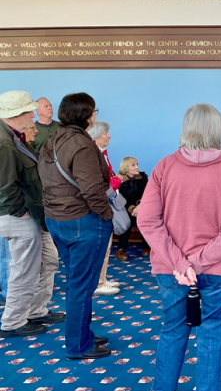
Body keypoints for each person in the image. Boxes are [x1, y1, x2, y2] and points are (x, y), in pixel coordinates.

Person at [138, 103, 221, 391]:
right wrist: (195, 263)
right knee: (213, 333)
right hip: (219, 268)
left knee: (173, 327)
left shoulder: (164, 167)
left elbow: (147, 221)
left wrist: (180, 262)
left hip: (171, 270)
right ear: (219, 130)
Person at [38, 92, 113, 360]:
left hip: (57, 219)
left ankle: (81, 336)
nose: (95, 115)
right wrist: (106, 216)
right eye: (94, 111)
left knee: (76, 283)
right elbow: (93, 189)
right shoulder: (81, 144)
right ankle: (78, 345)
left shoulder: (53, 138)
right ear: (87, 115)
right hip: (82, 221)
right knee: (81, 285)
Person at [0, 90, 62, 338]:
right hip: (20, 217)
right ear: (16, 114)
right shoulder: (4, 143)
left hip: (32, 215)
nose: (33, 115)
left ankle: (36, 310)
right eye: (29, 111)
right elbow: (5, 188)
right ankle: (13, 321)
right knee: (24, 269)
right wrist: (22, 214)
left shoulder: (12, 137)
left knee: (48, 262)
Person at [88, 121, 122, 296]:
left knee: (106, 245)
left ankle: (101, 278)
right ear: (95, 136)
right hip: (99, 206)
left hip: (105, 205)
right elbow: (102, 183)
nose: (109, 136)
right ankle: (98, 283)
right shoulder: (93, 155)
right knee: (101, 244)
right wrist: (117, 181)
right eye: (105, 133)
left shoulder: (103, 153)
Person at [115, 157, 149, 262]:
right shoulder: (119, 180)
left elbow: (147, 194)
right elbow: (119, 198)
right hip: (125, 208)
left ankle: (147, 246)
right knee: (126, 220)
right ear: (126, 167)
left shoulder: (143, 178)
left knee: (145, 218)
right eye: (133, 165)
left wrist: (139, 207)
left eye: (137, 164)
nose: (137, 167)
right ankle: (121, 249)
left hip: (141, 207)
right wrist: (131, 208)